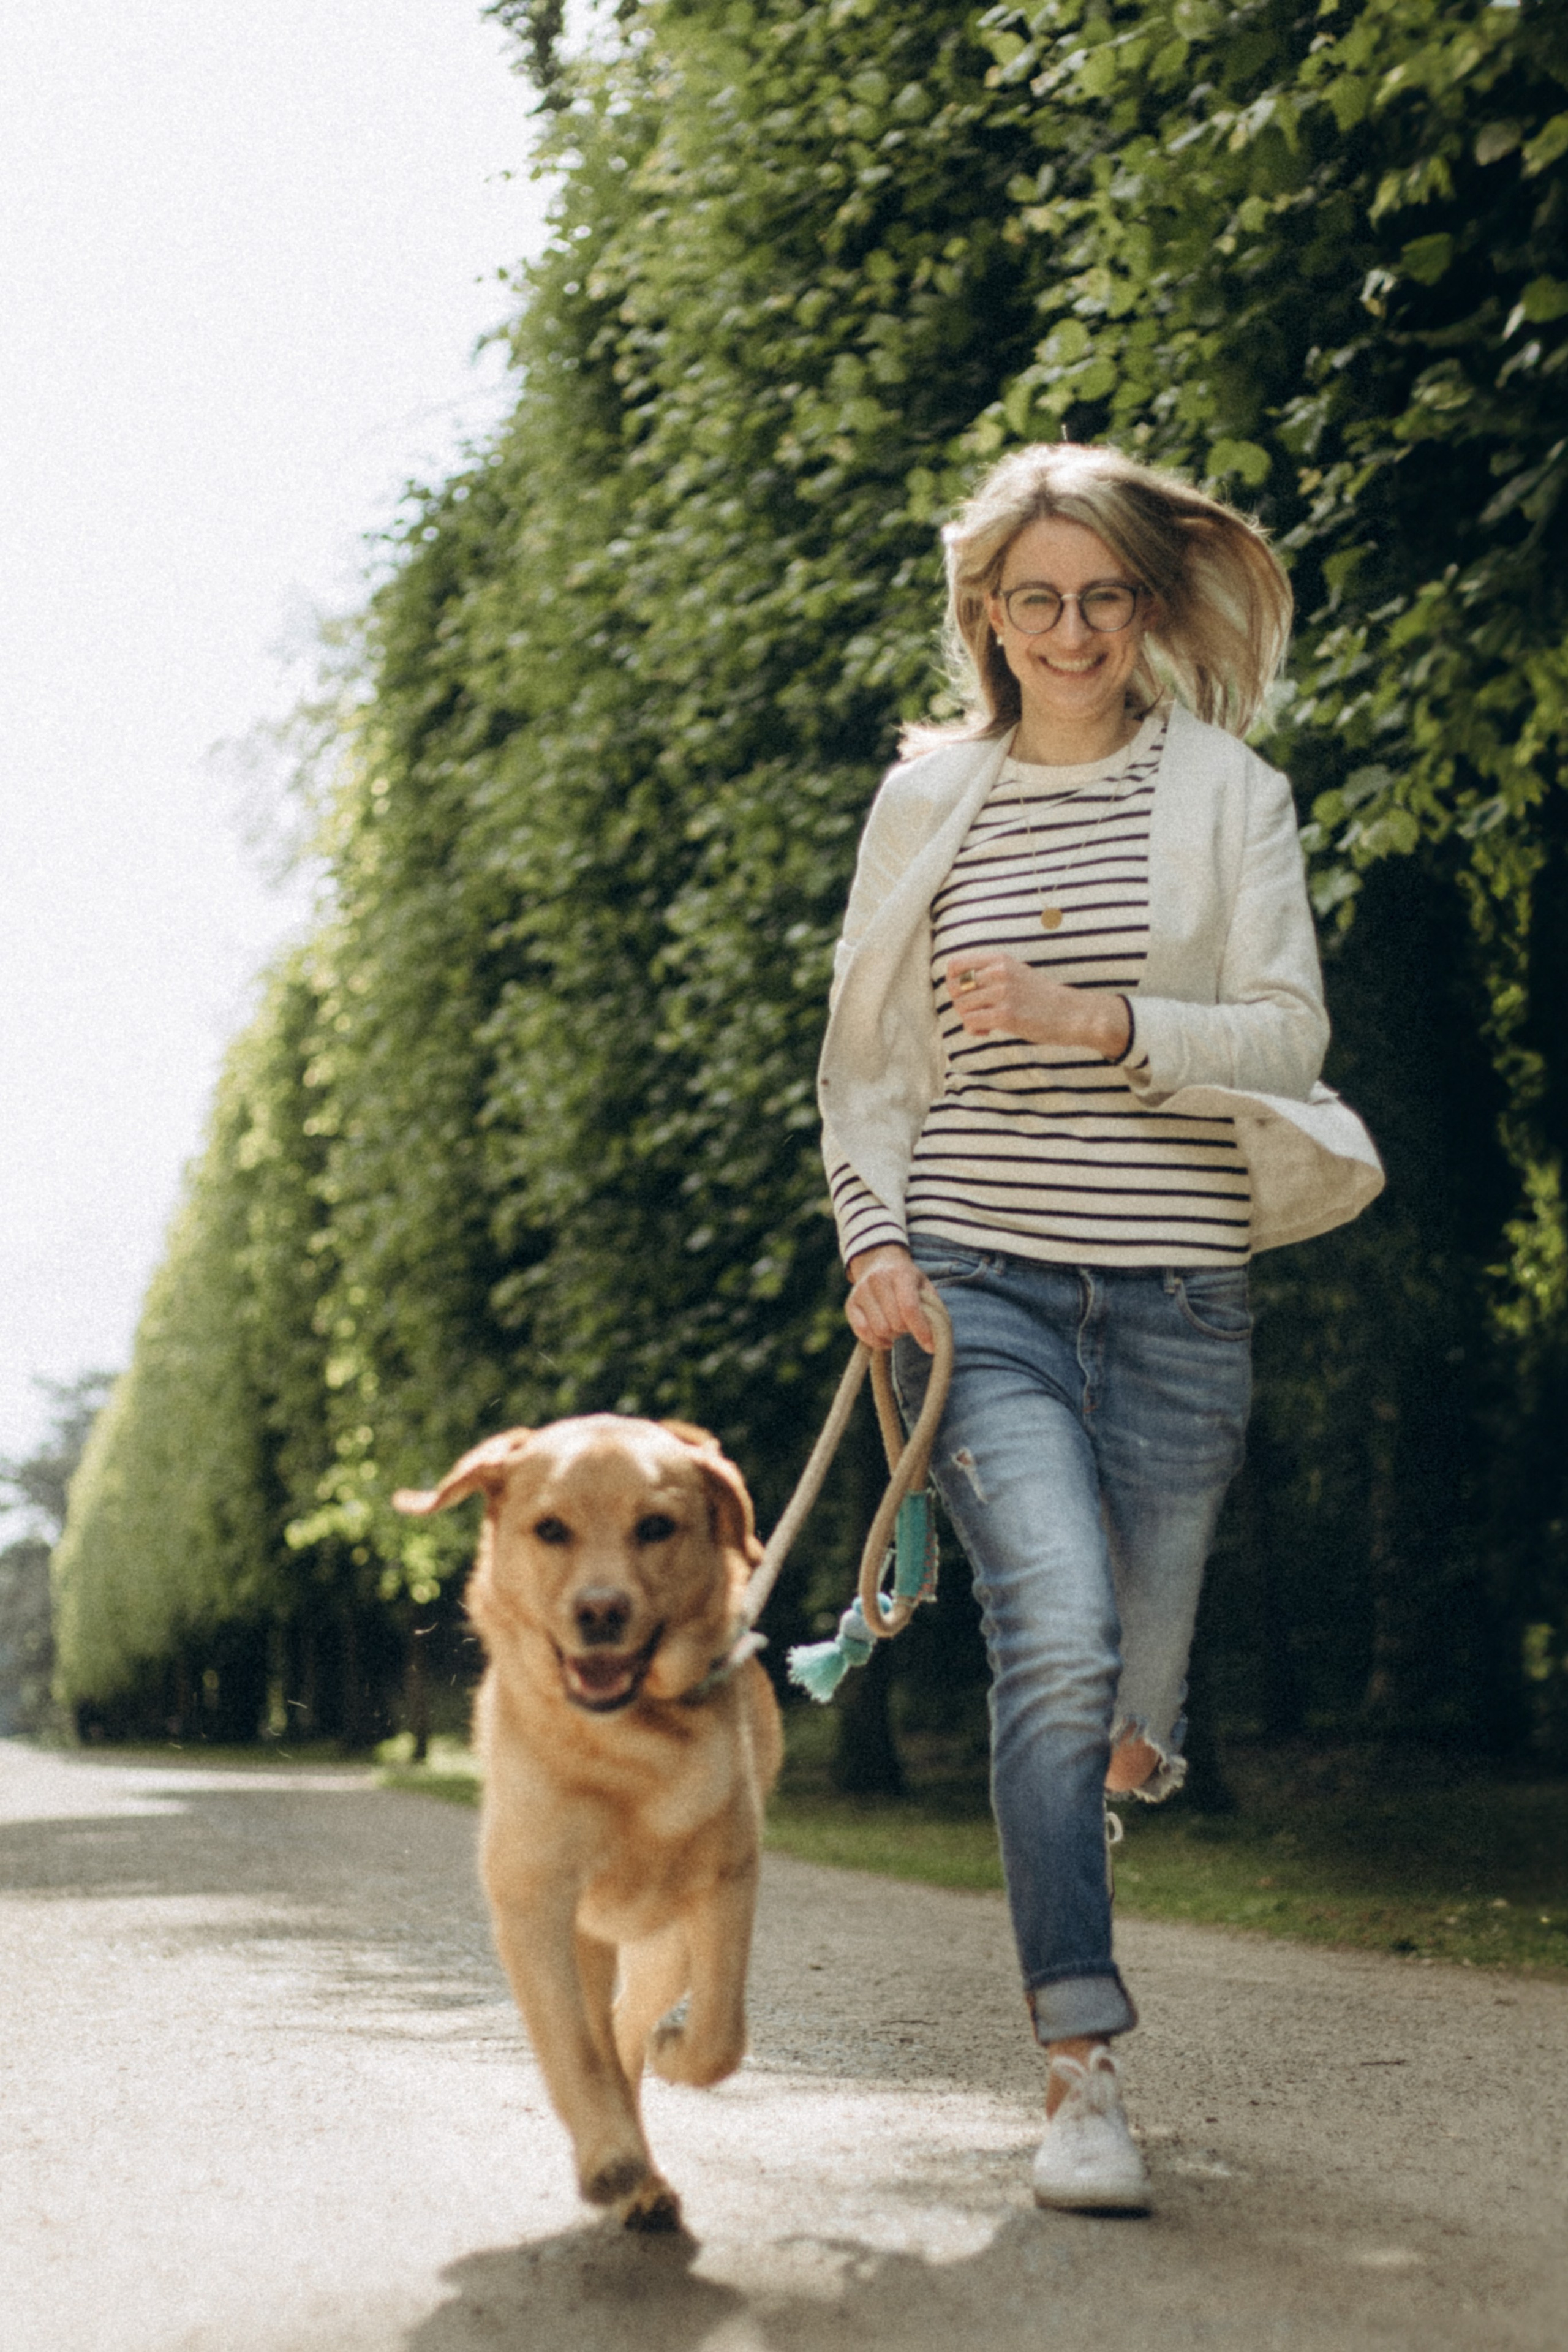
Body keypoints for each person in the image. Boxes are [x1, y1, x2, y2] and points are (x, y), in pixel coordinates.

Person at [817, 442, 1382, 2213]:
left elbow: (1286, 1037)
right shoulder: (927, 803)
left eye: (1104, 597)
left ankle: (1142, 1729)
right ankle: (1081, 2070)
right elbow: (867, 1075)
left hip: (1180, 1292)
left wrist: (1096, 1017)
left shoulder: (1231, 792)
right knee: (1049, 1635)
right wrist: (878, 1241)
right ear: (986, 613)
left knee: (1129, 1695)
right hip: (978, 1281)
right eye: (1035, 599)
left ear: (1145, 608)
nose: (1071, 631)